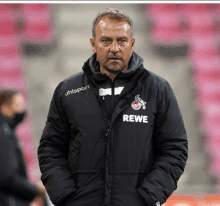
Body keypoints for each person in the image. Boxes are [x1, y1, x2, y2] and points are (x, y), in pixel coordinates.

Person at [38, 8, 188, 206]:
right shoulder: (68, 91)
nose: (115, 48)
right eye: (106, 41)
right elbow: (51, 149)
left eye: (122, 41)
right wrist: (65, 195)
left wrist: (150, 196)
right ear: (93, 44)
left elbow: (174, 149)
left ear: (132, 44)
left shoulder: (157, 90)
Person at [0, 89, 46, 206]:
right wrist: (35, 191)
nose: (22, 110)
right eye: (18, 105)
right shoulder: (4, 131)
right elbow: (7, 176)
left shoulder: (7, 130)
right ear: (4, 107)